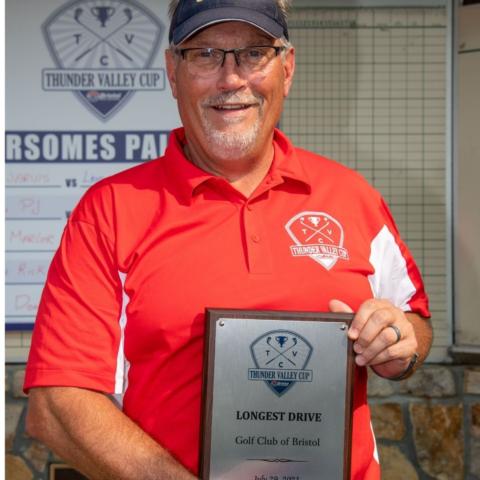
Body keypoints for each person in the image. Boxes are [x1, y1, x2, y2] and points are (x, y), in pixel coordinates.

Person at [25, 1, 433, 479]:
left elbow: (414, 322)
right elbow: (56, 405)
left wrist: (399, 342)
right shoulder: (110, 210)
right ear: (172, 72)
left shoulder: (352, 196)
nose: (231, 79)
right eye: (205, 55)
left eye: (254, 53)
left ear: (288, 68)